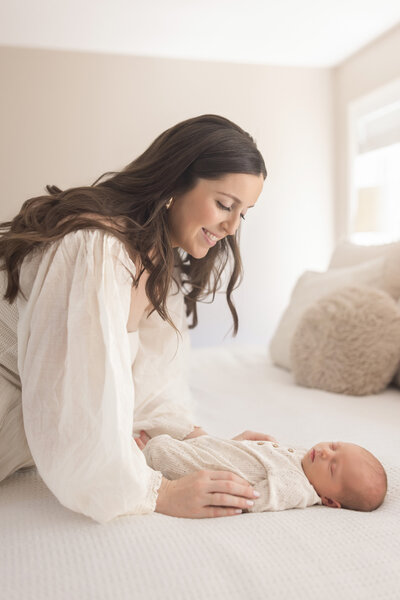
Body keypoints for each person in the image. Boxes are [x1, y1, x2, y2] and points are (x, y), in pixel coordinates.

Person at [0, 114, 268, 523]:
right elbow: (78, 401)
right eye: (225, 205)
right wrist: (157, 492)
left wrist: (205, 446)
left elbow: (150, 385)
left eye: (243, 213)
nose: (231, 228)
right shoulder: (97, 247)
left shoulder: (161, 264)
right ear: (176, 183)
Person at [139, 433, 388, 512]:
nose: (325, 453)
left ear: (330, 500)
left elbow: (253, 498)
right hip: (212, 448)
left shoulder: (299, 488)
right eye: (334, 447)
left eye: (333, 467)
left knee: (159, 449)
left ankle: (141, 458)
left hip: (195, 467)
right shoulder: (307, 460)